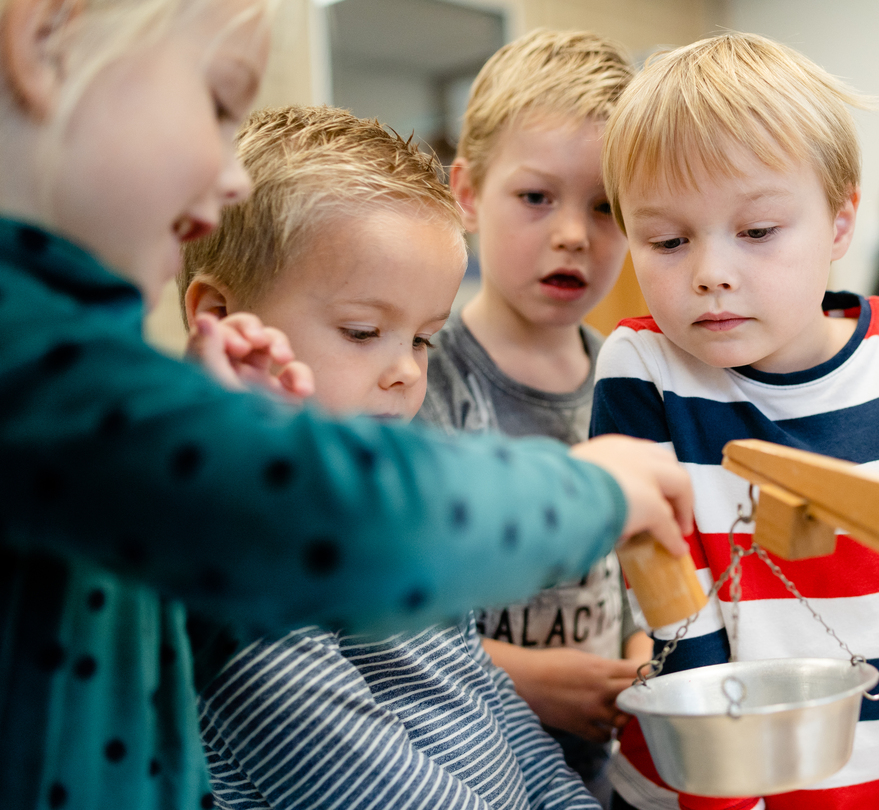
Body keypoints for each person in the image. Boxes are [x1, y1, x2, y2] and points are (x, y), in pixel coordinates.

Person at [0, 2, 691, 808]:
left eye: (422, 341)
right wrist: (591, 490)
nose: (228, 178)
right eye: (219, 105)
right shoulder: (40, 366)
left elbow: (504, 726)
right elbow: (338, 516)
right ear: (46, 38)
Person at [592, 32, 879, 810]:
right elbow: (678, 626)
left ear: (839, 225)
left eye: (758, 232)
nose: (711, 273)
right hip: (696, 787)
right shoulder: (643, 367)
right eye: (667, 241)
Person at [177, 104, 598, 810]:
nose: (406, 371)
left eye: (424, 339)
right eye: (364, 330)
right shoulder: (230, 563)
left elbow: (494, 705)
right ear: (220, 319)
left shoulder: (388, 520)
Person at [416, 31, 648, 804]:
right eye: (537, 197)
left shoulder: (634, 378)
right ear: (468, 193)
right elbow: (384, 622)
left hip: (608, 775)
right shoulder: (417, 380)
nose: (574, 234)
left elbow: (652, 569)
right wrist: (527, 680)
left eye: (606, 206)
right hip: (460, 774)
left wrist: (647, 657)